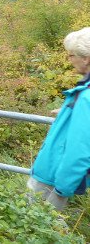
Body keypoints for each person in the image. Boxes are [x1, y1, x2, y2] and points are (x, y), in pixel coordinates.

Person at [28, 27, 90, 211]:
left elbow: (80, 150)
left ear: (85, 58)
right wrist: (68, 111)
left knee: (35, 224)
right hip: (56, 175)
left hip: (53, 178)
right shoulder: (83, 94)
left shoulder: (86, 97)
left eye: (71, 55)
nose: (69, 60)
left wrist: (62, 188)